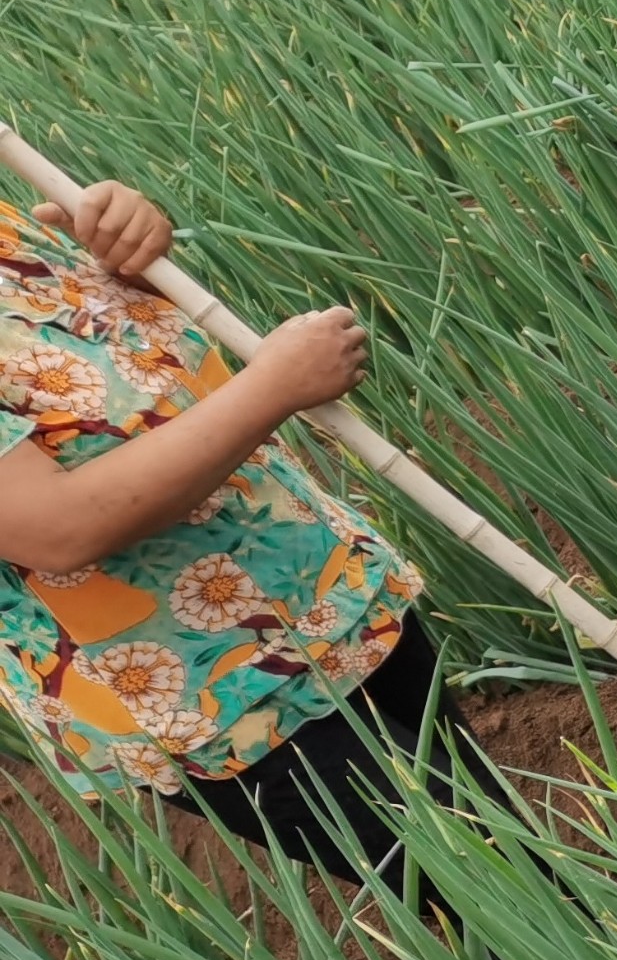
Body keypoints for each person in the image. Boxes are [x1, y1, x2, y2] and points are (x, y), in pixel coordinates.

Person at [0, 179, 472, 887]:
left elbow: (118, 378)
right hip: (219, 698)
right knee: (500, 890)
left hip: (323, 590)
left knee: (501, 843)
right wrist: (273, 386)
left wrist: (128, 263)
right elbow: (56, 528)